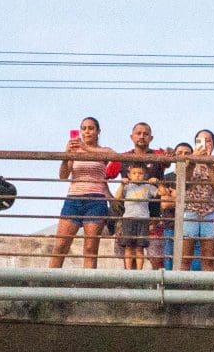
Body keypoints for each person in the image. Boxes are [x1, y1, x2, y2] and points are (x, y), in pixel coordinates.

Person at [49, 116, 115, 269]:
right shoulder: (75, 151)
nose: (87, 132)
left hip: (96, 201)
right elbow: (63, 176)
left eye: (91, 128)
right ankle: (49, 280)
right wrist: (66, 156)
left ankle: (89, 284)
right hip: (73, 200)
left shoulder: (103, 150)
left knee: (90, 249)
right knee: (60, 246)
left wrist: (85, 148)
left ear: (98, 131)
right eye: (83, 128)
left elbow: (112, 156)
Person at [113, 137, 164, 271]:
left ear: (145, 175)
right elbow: (117, 198)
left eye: (140, 173)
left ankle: (139, 271)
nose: (137, 175)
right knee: (128, 247)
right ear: (129, 175)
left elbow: (162, 193)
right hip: (128, 219)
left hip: (143, 219)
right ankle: (129, 271)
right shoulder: (127, 186)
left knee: (140, 247)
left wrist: (157, 183)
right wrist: (121, 185)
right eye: (134, 173)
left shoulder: (148, 186)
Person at [177, 130, 214, 271]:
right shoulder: (187, 161)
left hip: (211, 212)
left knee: (209, 261)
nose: (205, 144)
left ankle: (208, 286)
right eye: (200, 141)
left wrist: (209, 164)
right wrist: (192, 162)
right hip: (190, 211)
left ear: (213, 144)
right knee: (184, 260)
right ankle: (182, 285)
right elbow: (183, 184)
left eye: (208, 141)